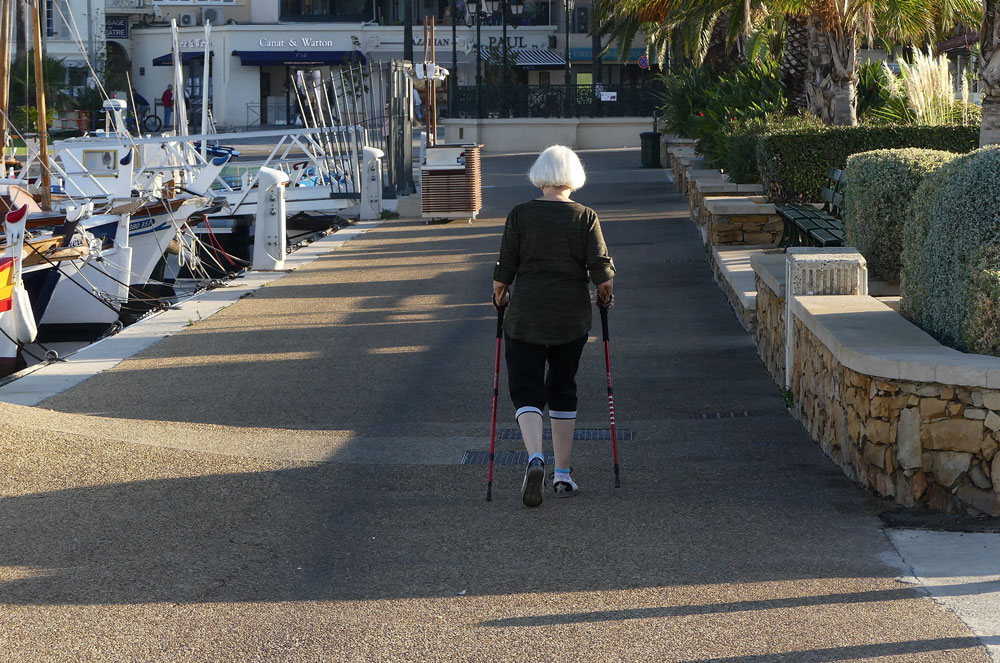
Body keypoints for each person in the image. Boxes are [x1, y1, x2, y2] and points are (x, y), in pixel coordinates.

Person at [492, 145, 616, 507]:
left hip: (526, 315)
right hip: (570, 316)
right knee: (563, 388)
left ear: (540, 175)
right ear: (573, 177)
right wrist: (603, 295)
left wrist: (500, 295)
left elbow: (504, 272)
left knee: (526, 390)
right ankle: (562, 475)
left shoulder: (519, 215)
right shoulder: (585, 217)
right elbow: (602, 274)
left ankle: (534, 458)